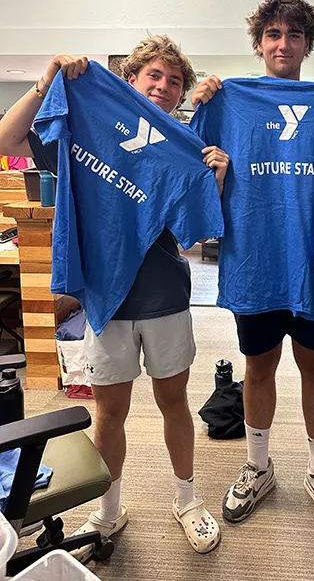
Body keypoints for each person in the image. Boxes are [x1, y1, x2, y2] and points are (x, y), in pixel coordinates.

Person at [0, 36, 229, 554]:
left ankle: (187, 501)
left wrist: (212, 178)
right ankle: (107, 511)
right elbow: (6, 138)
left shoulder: (185, 145)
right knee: (110, 411)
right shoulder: (91, 123)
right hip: (106, 298)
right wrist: (47, 80)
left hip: (166, 294)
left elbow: (197, 230)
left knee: (174, 404)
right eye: (155, 76)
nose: (164, 88)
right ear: (130, 80)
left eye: (174, 82)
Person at [191, 0, 314, 532]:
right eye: (273, 34)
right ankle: (257, 465)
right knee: (258, 367)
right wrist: (197, 105)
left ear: (308, 45)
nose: (283, 43)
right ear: (258, 43)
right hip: (257, 260)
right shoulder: (225, 102)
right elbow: (188, 169)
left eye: (294, 34)